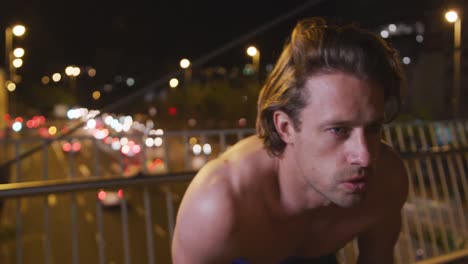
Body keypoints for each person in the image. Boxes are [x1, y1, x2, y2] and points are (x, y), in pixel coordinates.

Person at [171, 16, 408, 264]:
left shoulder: (386, 181)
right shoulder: (219, 204)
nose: (365, 156)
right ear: (285, 128)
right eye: (338, 130)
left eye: (373, 128)